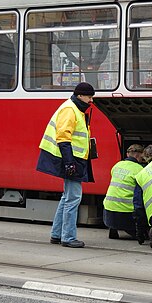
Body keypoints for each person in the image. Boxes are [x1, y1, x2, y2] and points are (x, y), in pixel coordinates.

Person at [36, 82, 96, 248]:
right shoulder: (70, 109)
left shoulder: (74, 108)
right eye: (89, 97)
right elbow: (63, 138)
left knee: (67, 197)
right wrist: (70, 163)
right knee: (73, 198)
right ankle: (68, 237)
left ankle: (57, 234)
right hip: (70, 159)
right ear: (80, 95)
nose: (91, 100)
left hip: (73, 159)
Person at [102, 144, 145, 240]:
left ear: (127, 154)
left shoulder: (117, 165)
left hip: (109, 211)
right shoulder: (140, 170)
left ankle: (113, 228)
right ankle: (137, 232)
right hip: (126, 214)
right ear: (138, 155)